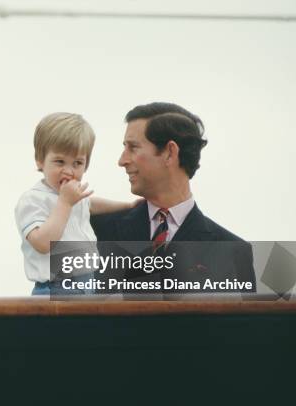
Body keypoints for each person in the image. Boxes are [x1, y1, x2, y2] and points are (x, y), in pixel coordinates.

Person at [90, 102, 256, 293]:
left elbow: (241, 323)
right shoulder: (92, 229)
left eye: (133, 147)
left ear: (170, 152)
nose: (122, 160)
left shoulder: (233, 252)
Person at [15, 112, 138, 295]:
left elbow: (90, 204)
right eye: (59, 161)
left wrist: (127, 206)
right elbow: (42, 243)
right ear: (40, 161)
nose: (69, 171)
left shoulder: (73, 197)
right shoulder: (33, 200)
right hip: (56, 288)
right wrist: (64, 203)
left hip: (87, 282)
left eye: (77, 163)